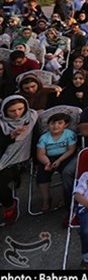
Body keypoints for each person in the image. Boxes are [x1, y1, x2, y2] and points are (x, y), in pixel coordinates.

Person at [1, 95, 39, 224]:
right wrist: (11, 136)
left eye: (20, 109)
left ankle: (9, 204)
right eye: (12, 111)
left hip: (19, 161)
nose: (17, 113)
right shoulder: (2, 124)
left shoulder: (31, 117)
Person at [35, 112, 78, 211]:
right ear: (48, 125)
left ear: (65, 125)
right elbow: (40, 154)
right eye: (52, 123)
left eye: (59, 123)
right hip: (48, 157)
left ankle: (65, 198)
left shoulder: (69, 134)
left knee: (66, 173)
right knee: (42, 174)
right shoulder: (44, 137)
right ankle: (46, 199)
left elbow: (71, 150)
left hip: (65, 156)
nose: (56, 126)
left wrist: (59, 160)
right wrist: (47, 163)